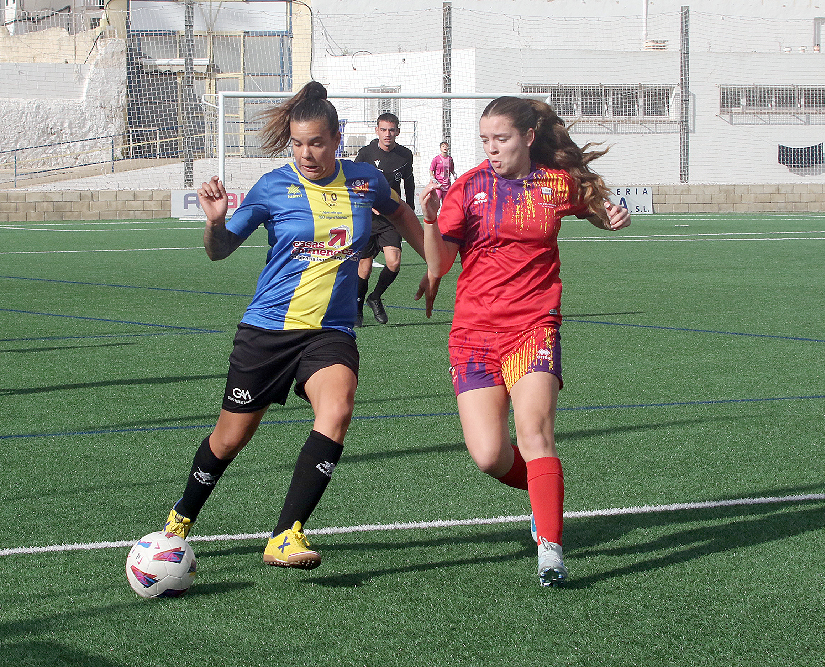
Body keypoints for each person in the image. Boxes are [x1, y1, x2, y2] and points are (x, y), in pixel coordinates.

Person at [162, 81, 429, 570]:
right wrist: (215, 222)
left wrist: (432, 265)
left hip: (330, 333)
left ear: (337, 139)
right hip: (267, 332)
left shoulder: (365, 180)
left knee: (338, 407)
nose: (306, 154)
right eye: (298, 144)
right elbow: (220, 250)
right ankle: (181, 516)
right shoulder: (272, 187)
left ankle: (286, 534)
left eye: (317, 143)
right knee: (229, 440)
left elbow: (402, 214)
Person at [418, 96, 631, 587]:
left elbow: (595, 208)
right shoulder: (468, 188)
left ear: (528, 137)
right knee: (489, 456)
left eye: (502, 139)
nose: (491, 149)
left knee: (535, 434)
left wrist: (612, 216)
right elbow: (440, 264)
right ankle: (542, 494)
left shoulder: (555, 183)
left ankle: (550, 550)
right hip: (474, 334)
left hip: (534, 326)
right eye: (485, 140)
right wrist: (429, 219)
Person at [354, 112, 415, 326]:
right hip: (367, 217)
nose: (387, 134)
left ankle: (375, 297)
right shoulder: (365, 153)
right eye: (383, 130)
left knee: (394, 262)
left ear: (397, 131)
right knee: (365, 268)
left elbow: (409, 183)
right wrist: (369, 203)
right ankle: (357, 308)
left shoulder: (405, 155)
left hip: (391, 216)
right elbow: (354, 183)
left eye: (391, 130)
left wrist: (409, 210)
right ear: (377, 131)